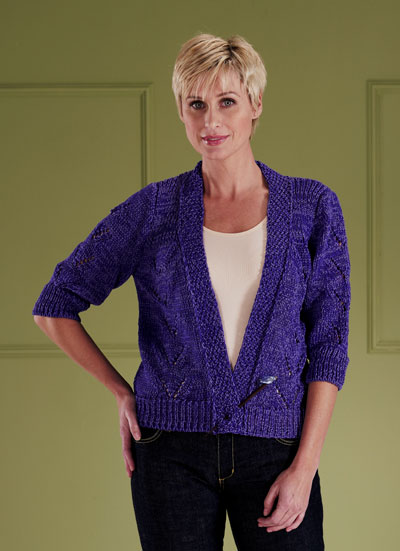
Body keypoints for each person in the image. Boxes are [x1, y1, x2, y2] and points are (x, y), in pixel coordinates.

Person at [32, 32, 351, 551]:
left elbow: (329, 344)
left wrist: (306, 465)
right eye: (196, 105)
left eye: (227, 102)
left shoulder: (311, 207)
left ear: (256, 104)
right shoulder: (153, 210)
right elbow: (54, 305)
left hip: (276, 452)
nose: (211, 122)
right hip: (170, 453)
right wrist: (122, 392)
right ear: (180, 110)